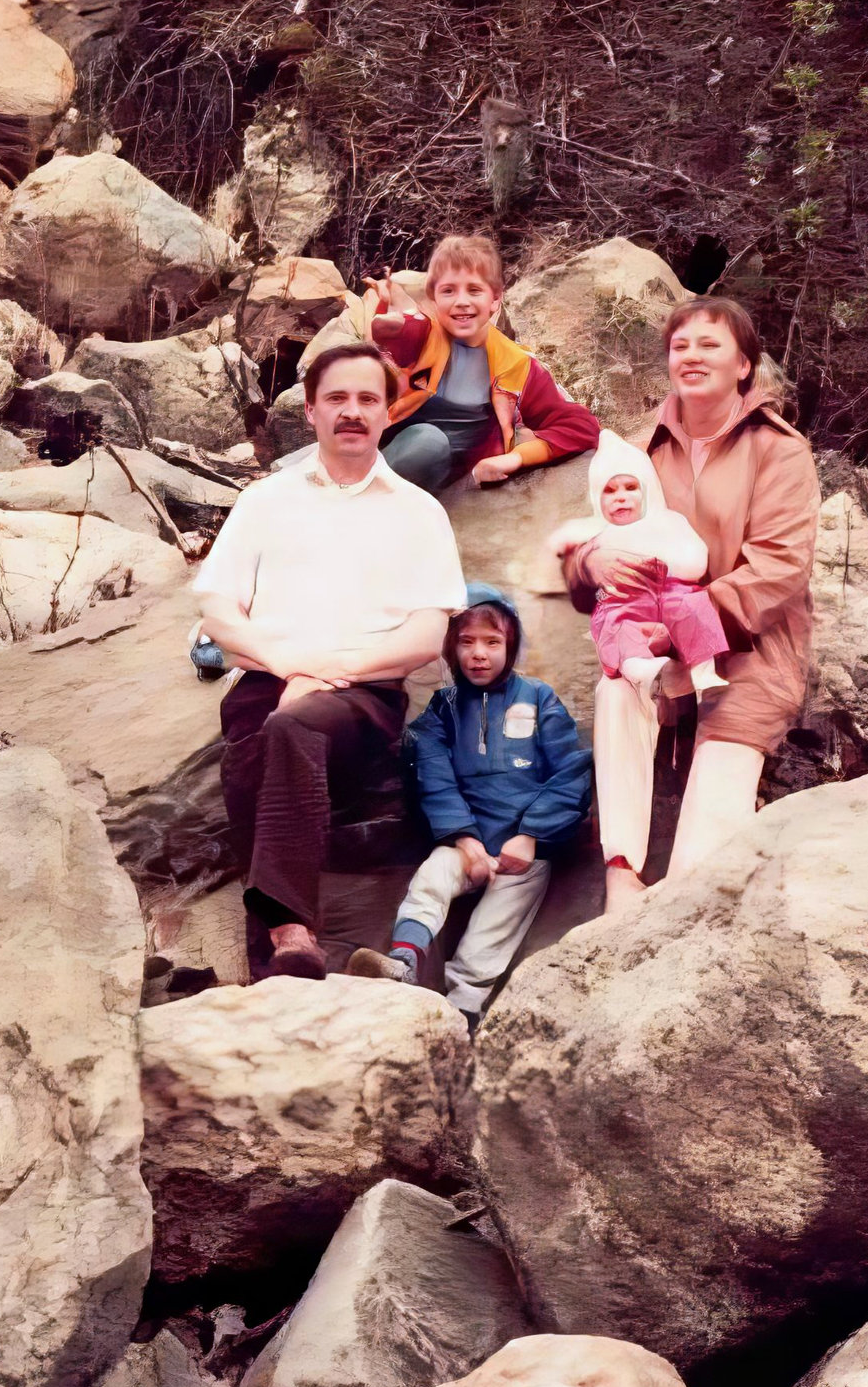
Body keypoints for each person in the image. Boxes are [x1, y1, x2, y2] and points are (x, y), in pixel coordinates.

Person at [191, 341, 469, 982]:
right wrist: (292, 669)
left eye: (367, 399)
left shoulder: (418, 513)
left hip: (364, 696)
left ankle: (289, 930)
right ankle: (284, 968)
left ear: (388, 413)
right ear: (311, 410)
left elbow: (426, 636)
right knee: (252, 752)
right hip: (268, 679)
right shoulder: (266, 499)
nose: (352, 411)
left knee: (292, 727)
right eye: (337, 398)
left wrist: (325, 678)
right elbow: (218, 610)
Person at [581, 295, 819, 917]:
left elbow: (780, 569)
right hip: (659, 640)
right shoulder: (639, 451)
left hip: (750, 650)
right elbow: (587, 535)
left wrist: (685, 632)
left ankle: (681, 897)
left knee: (696, 874)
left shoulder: (780, 450)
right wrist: (589, 563)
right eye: (680, 345)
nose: (691, 356)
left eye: (710, 345)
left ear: (744, 365)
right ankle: (621, 875)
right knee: (615, 690)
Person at [345, 581, 590, 1020]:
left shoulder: (539, 697)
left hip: (523, 851)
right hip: (467, 843)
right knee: (433, 877)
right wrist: (464, 841)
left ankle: (462, 1009)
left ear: (511, 645)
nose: (480, 653)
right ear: (450, 648)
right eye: (467, 642)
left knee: (493, 929)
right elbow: (435, 780)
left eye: (493, 642)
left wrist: (531, 836)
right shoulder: (443, 709)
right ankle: (402, 963)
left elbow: (571, 771)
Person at [353, 231, 600, 494]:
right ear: (434, 299)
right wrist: (386, 307)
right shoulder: (420, 333)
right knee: (428, 441)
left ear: (495, 300)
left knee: (431, 443)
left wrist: (516, 457)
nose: (462, 302)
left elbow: (581, 426)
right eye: (448, 291)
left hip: (452, 487)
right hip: (382, 460)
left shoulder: (517, 364)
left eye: (474, 290)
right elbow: (388, 334)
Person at [554, 433, 729, 697]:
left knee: (694, 603)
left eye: (630, 488)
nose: (621, 497)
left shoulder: (667, 522)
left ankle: (704, 673)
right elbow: (580, 574)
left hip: (670, 592)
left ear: (646, 491)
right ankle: (644, 673)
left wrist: (666, 564)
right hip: (622, 602)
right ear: (596, 498)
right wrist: (588, 563)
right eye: (609, 491)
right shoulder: (596, 535)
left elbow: (696, 560)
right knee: (616, 624)